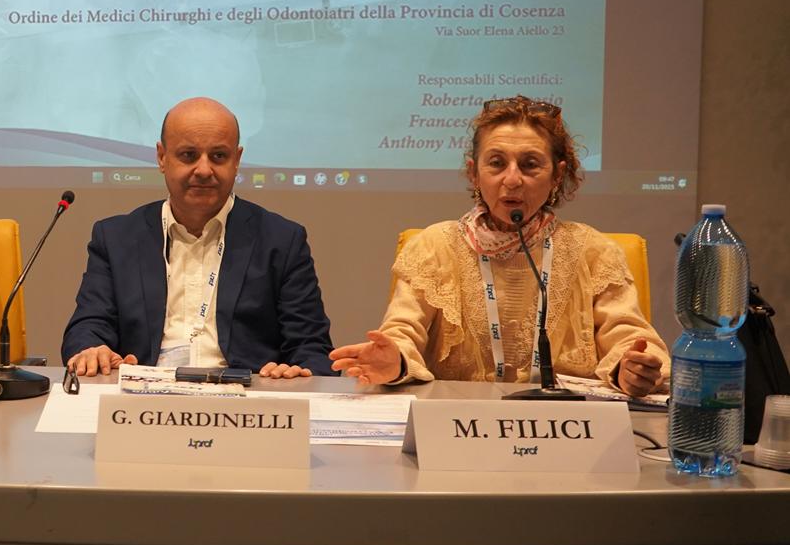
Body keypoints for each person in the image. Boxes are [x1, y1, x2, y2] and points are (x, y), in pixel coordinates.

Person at [330, 96, 667, 397]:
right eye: (496, 163)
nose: (512, 179)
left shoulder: (594, 251)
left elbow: (629, 336)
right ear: (474, 174)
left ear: (556, 175)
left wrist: (632, 367)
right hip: (457, 426)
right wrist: (396, 361)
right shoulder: (434, 247)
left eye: (530, 164)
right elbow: (403, 330)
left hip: (565, 428)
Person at [62, 97, 334, 378]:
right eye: (188, 155)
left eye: (218, 156)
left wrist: (295, 372)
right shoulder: (116, 238)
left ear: (237, 160)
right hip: (143, 393)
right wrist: (91, 349)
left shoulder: (281, 240)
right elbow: (87, 327)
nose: (204, 170)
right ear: (162, 157)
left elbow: (311, 347)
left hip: (246, 397)